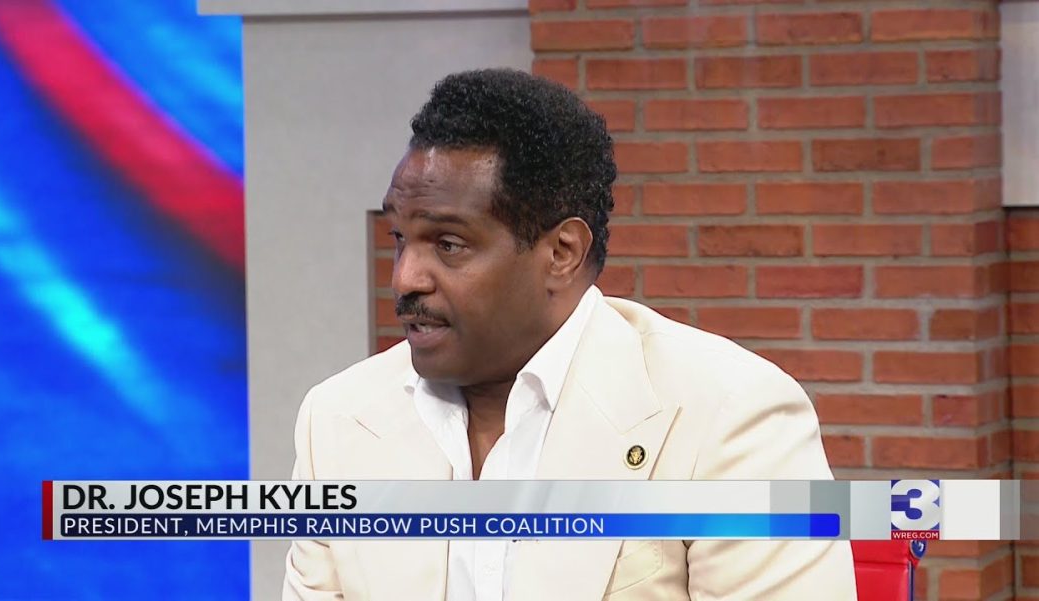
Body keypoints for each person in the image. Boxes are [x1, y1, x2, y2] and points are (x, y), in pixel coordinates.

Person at [283, 68, 857, 601]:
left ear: (562, 253)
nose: (405, 278)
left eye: (449, 245)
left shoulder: (731, 416)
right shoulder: (334, 419)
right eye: (400, 240)